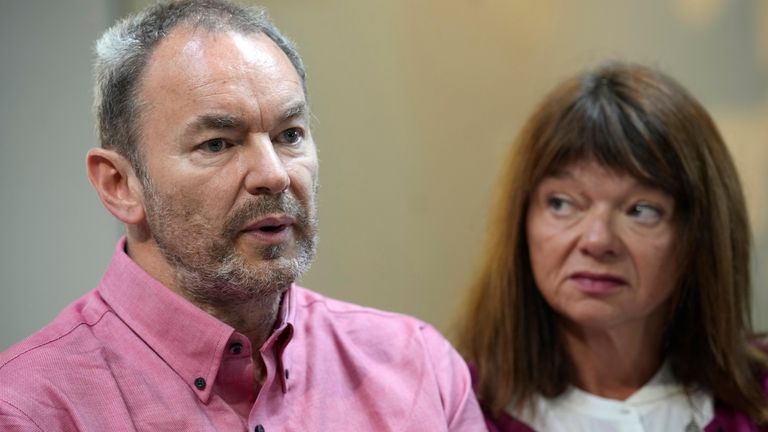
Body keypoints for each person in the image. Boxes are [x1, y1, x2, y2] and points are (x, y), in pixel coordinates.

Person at [0, 1, 485, 430]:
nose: (273, 175)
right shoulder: (31, 410)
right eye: (218, 144)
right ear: (120, 185)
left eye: (290, 134)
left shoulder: (417, 366)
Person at [456, 61, 768, 431]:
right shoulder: (463, 408)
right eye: (562, 203)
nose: (597, 240)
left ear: (699, 235)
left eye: (641, 210)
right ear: (522, 221)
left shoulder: (755, 399)